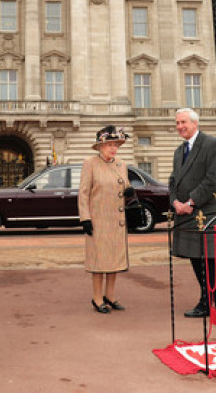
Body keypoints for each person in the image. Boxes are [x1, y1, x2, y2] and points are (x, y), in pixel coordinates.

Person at [169, 108, 216, 318]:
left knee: (208, 259)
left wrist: (191, 201)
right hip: (186, 212)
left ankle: (208, 301)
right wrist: (175, 202)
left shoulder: (212, 145)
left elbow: (214, 180)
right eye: (178, 123)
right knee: (196, 258)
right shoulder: (179, 151)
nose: (180, 126)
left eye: (183, 122)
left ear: (195, 123)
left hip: (206, 211)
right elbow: (172, 181)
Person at [78, 125, 133, 313]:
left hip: (116, 219)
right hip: (98, 220)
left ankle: (110, 295)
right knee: (99, 261)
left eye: (116, 144)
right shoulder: (90, 163)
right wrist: (85, 218)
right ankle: (96, 297)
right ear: (99, 146)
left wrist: (129, 193)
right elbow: (83, 193)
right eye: (109, 144)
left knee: (114, 261)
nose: (113, 148)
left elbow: (125, 187)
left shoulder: (121, 164)